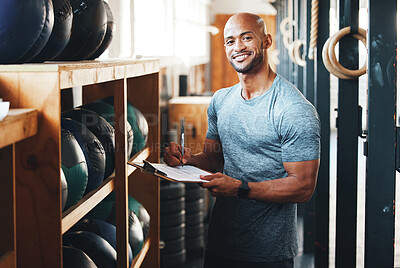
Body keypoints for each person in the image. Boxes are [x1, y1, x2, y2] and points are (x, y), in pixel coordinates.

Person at [163, 12, 321, 268]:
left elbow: (303, 187)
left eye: (246, 38)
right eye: (230, 41)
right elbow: (213, 159)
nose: (238, 47)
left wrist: (240, 188)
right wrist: (186, 160)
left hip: (269, 253)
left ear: (267, 41)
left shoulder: (293, 109)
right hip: (219, 243)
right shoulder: (221, 100)